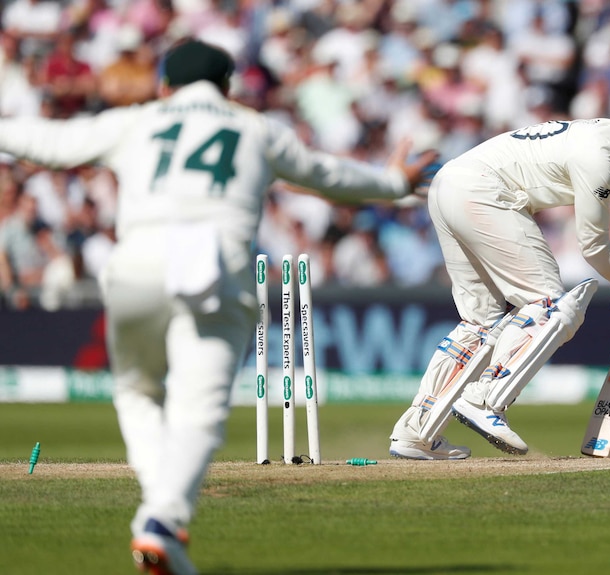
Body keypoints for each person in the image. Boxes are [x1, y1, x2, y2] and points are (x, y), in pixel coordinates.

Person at [0, 38, 437, 574]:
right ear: (227, 87)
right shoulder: (255, 128)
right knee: (200, 411)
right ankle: (161, 518)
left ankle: (161, 525)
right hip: (215, 267)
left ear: (165, 85)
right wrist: (394, 182)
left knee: (137, 391)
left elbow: (48, 142)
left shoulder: (137, 121)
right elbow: (328, 176)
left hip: (136, 265)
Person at [389, 102, 610, 460]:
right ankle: (485, 398)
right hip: (483, 190)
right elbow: (593, 246)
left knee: (481, 322)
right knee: (550, 304)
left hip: (450, 185)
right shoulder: (598, 156)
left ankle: (416, 432)